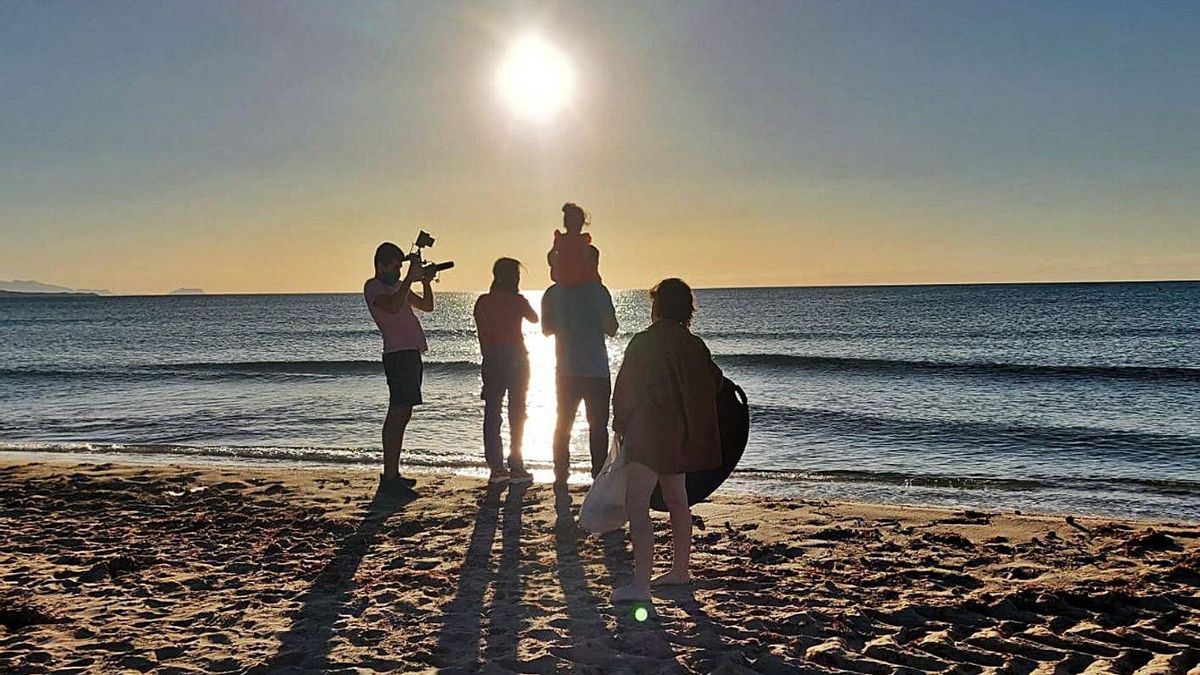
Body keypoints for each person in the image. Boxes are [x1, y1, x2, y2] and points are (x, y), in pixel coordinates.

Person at [610, 278, 723, 603]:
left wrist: (619, 421)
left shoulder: (644, 342)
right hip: (680, 436)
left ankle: (641, 585)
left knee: (637, 504)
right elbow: (714, 384)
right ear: (687, 310)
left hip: (648, 434)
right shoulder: (694, 344)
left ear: (656, 307)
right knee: (678, 501)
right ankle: (680, 570)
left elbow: (626, 388)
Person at [542, 245, 618, 484]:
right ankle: (598, 475)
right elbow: (612, 328)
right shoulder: (598, 291)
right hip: (596, 369)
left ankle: (561, 475)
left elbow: (546, 329)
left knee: (563, 423)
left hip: (566, 369)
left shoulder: (553, 292)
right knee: (598, 426)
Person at [363, 242, 435, 495]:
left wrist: (424, 280)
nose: (397, 271)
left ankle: (393, 473)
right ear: (380, 265)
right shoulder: (374, 287)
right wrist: (408, 280)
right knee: (397, 413)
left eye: (399, 267)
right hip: (397, 354)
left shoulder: (396, 287)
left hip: (411, 353)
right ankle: (390, 475)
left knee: (404, 414)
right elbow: (392, 306)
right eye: (394, 267)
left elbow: (427, 306)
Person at [473, 258, 538, 485]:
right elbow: (534, 318)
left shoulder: (482, 302)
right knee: (517, 412)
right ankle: (516, 463)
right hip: (516, 357)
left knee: (493, 413)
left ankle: (496, 467)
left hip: (491, 358)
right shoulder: (517, 301)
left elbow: (482, 332)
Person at [547, 202, 601, 288]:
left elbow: (550, 258)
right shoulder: (579, 241)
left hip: (567, 280)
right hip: (576, 280)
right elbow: (586, 261)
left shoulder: (561, 240)